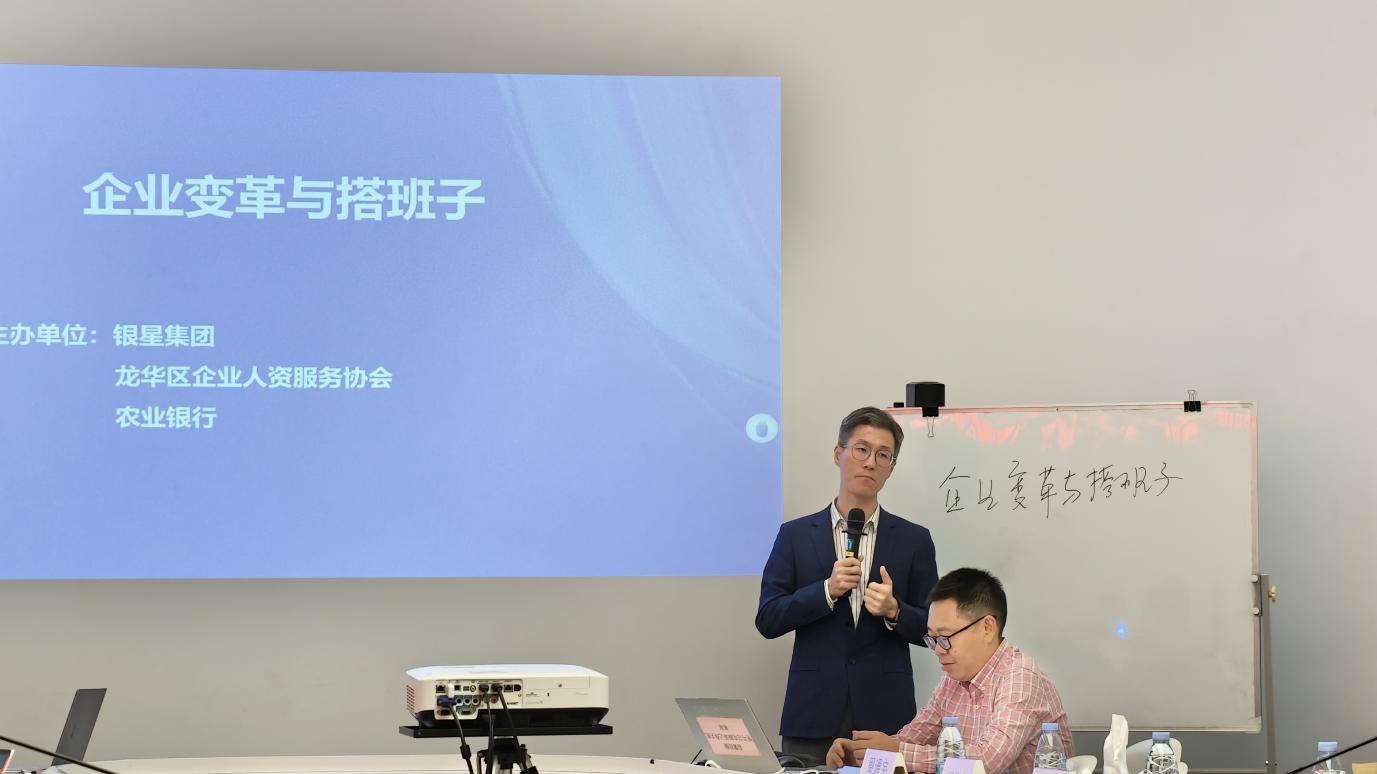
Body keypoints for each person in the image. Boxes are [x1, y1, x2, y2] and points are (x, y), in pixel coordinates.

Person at [756, 407, 939, 763]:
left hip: (887, 718)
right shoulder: (795, 536)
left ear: (891, 468)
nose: (870, 462)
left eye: (883, 455)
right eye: (861, 449)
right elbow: (768, 618)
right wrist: (825, 591)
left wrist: (894, 611)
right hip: (812, 713)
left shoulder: (915, 540)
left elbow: (935, 632)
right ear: (838, 453)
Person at [826, 568, 1074, 774]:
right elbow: (915, 736)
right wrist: (863, 753)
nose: (937, 650)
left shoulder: (1020, 677)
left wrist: (896, 751)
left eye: (945, 637)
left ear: (987, 627)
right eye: (932, 639)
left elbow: (987, 761)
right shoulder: (953, 679)